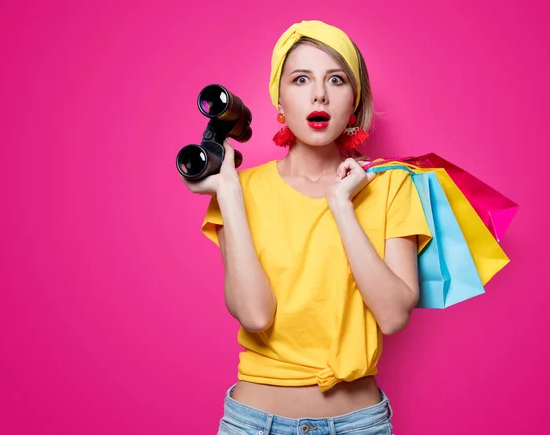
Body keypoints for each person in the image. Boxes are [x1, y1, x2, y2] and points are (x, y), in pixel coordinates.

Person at [181, 19, 432, 435]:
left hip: (358, 424)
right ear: (278, 99)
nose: (319, 94)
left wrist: (342, 206)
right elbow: (255, 315)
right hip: (253, 424)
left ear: (354, 101)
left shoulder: (390, 185)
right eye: (301, 79)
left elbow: (392, 315)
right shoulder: (240, 190)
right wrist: (227, 192)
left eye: (336, 79)